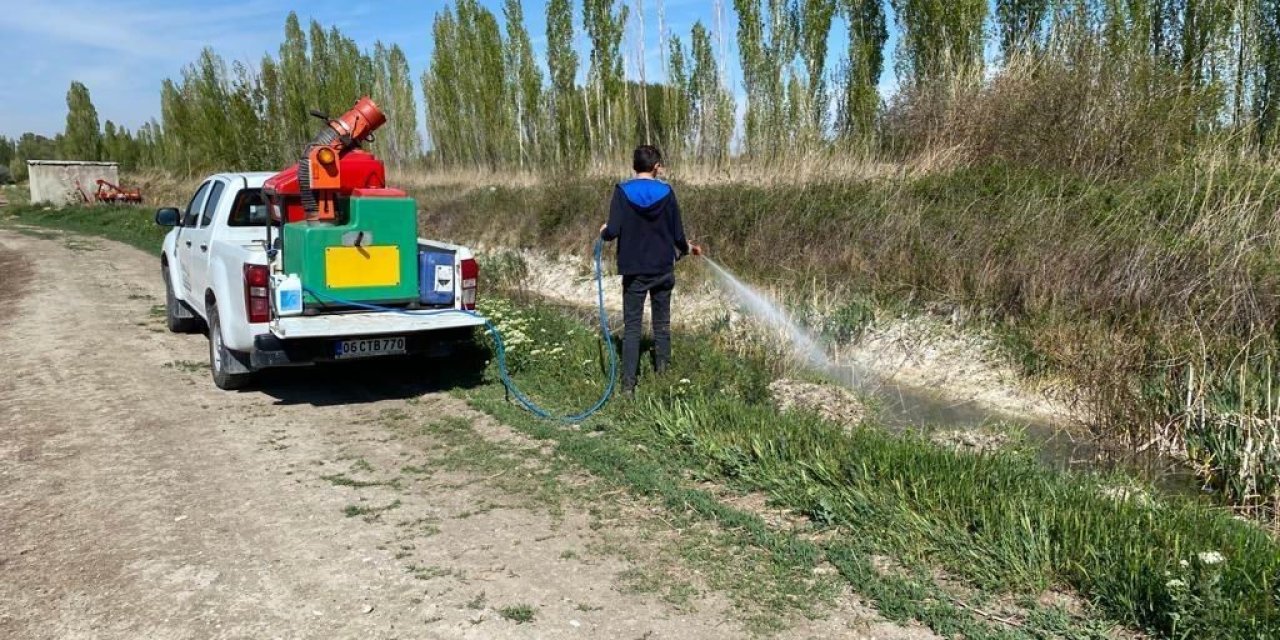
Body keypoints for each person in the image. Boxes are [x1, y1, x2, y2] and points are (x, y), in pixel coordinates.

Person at [599, 145, 702, 395]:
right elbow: (678, 235)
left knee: (632, 328)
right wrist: (688, 249)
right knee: (662, 325)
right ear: (656, 166)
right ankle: (663, 381)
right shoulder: (667, 192)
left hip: (634, 272)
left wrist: (603, 231)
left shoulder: (622, 191)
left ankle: (627, 388)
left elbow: (611, 232)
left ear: (634, 165)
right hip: (662, 270)